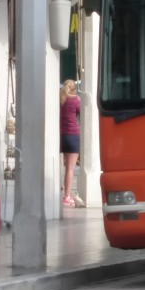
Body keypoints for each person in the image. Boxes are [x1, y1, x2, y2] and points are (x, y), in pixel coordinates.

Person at [59, 79, 84, 208]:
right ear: (74, 89)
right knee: (70, 169)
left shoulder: (60, 100)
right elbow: (82, 114)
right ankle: (67, 196)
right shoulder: (76, 100)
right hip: (73, 135)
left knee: (62, 167)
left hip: (61, 136)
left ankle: (63, 192)